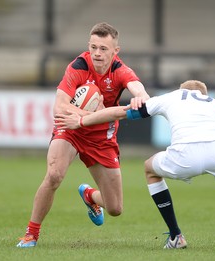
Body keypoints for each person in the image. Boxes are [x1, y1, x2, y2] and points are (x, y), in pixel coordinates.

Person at [54, 80, 215, 251]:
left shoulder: (169, 97)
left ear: (182, 89)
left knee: (149, 168)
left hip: (183, 156)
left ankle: (176, 236)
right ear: (204, 93)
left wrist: (82, 122)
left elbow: (121, 112)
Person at [16, 22, 150, 248]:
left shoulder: (120, 71)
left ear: (115, 51)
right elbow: (59, 108)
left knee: (115, 208)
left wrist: (140, 97)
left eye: (103, 49)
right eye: (93, 47)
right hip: (70, 128)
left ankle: (89, 196)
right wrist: (83, 117)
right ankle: (31, 234)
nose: (97, 53)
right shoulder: (78, 66)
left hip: (101, 138)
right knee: (54, 175)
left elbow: (139, 89)